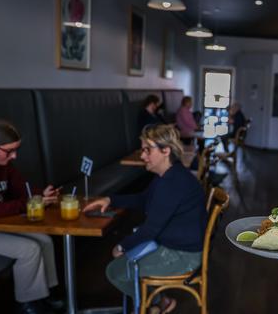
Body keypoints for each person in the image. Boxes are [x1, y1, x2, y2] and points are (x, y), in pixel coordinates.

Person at [83, 124, 206, 314]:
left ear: (165, 150)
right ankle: (158, 303)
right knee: (123, 263)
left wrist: (122, 246)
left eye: (147, 150)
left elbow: (150, 229)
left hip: (183, 256)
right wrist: (110, 199)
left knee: (114, 271)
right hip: (177, 245)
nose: (142, 156)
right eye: (143, 150)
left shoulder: (171, 183)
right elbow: (143, 199)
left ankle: (153, 305)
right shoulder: (170, 174)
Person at [0, 120, 63, 314]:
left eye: (16, 150)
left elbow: (24, 189)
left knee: (44, 240)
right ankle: (27, 306)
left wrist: (42, 194)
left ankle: (45, 294)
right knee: (28, 248)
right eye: (9, 151)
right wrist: (29, 203)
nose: (14, 156)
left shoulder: (4, 165)